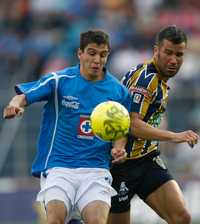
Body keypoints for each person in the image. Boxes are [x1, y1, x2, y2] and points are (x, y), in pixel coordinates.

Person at [3, 30, 132, 224]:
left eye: (103, 54)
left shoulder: (118, 92)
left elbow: (122, 129)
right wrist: (14, 105)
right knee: (55, 220)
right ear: (79, 53)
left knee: (97, 221)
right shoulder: (59, 81)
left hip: (95, 169)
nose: (97, 59)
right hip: (59, 167)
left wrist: (119, 148)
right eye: (91, 53)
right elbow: (24, 96)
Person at [108, 25, 199, 224]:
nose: (174, 60)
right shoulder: (146, 79)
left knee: (181, 217)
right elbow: (131, 124)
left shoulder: (160, 79)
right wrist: (176, 136)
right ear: (156, 50)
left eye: (179, 54)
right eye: (168, 52)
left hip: (147, 159)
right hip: (121, 165)